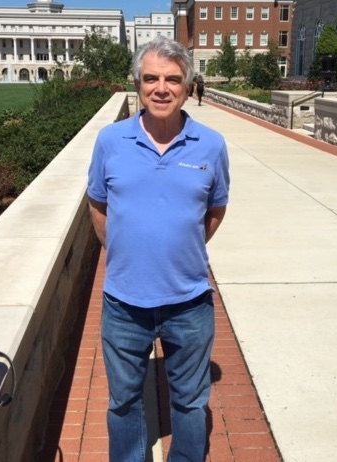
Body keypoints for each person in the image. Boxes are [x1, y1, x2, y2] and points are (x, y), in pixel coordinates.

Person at [87, 36, 230, 462]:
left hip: (189, 302)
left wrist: (177, 248)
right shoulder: (110, 141)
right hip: (123, 302)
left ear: (188, 85)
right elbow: (98, 205)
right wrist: (130, 253)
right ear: (137, 84)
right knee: (124, 402)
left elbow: (216, 209)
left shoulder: (212, 145)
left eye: (172, 79)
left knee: (189, 403)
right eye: (151, 78)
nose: (161, 88)